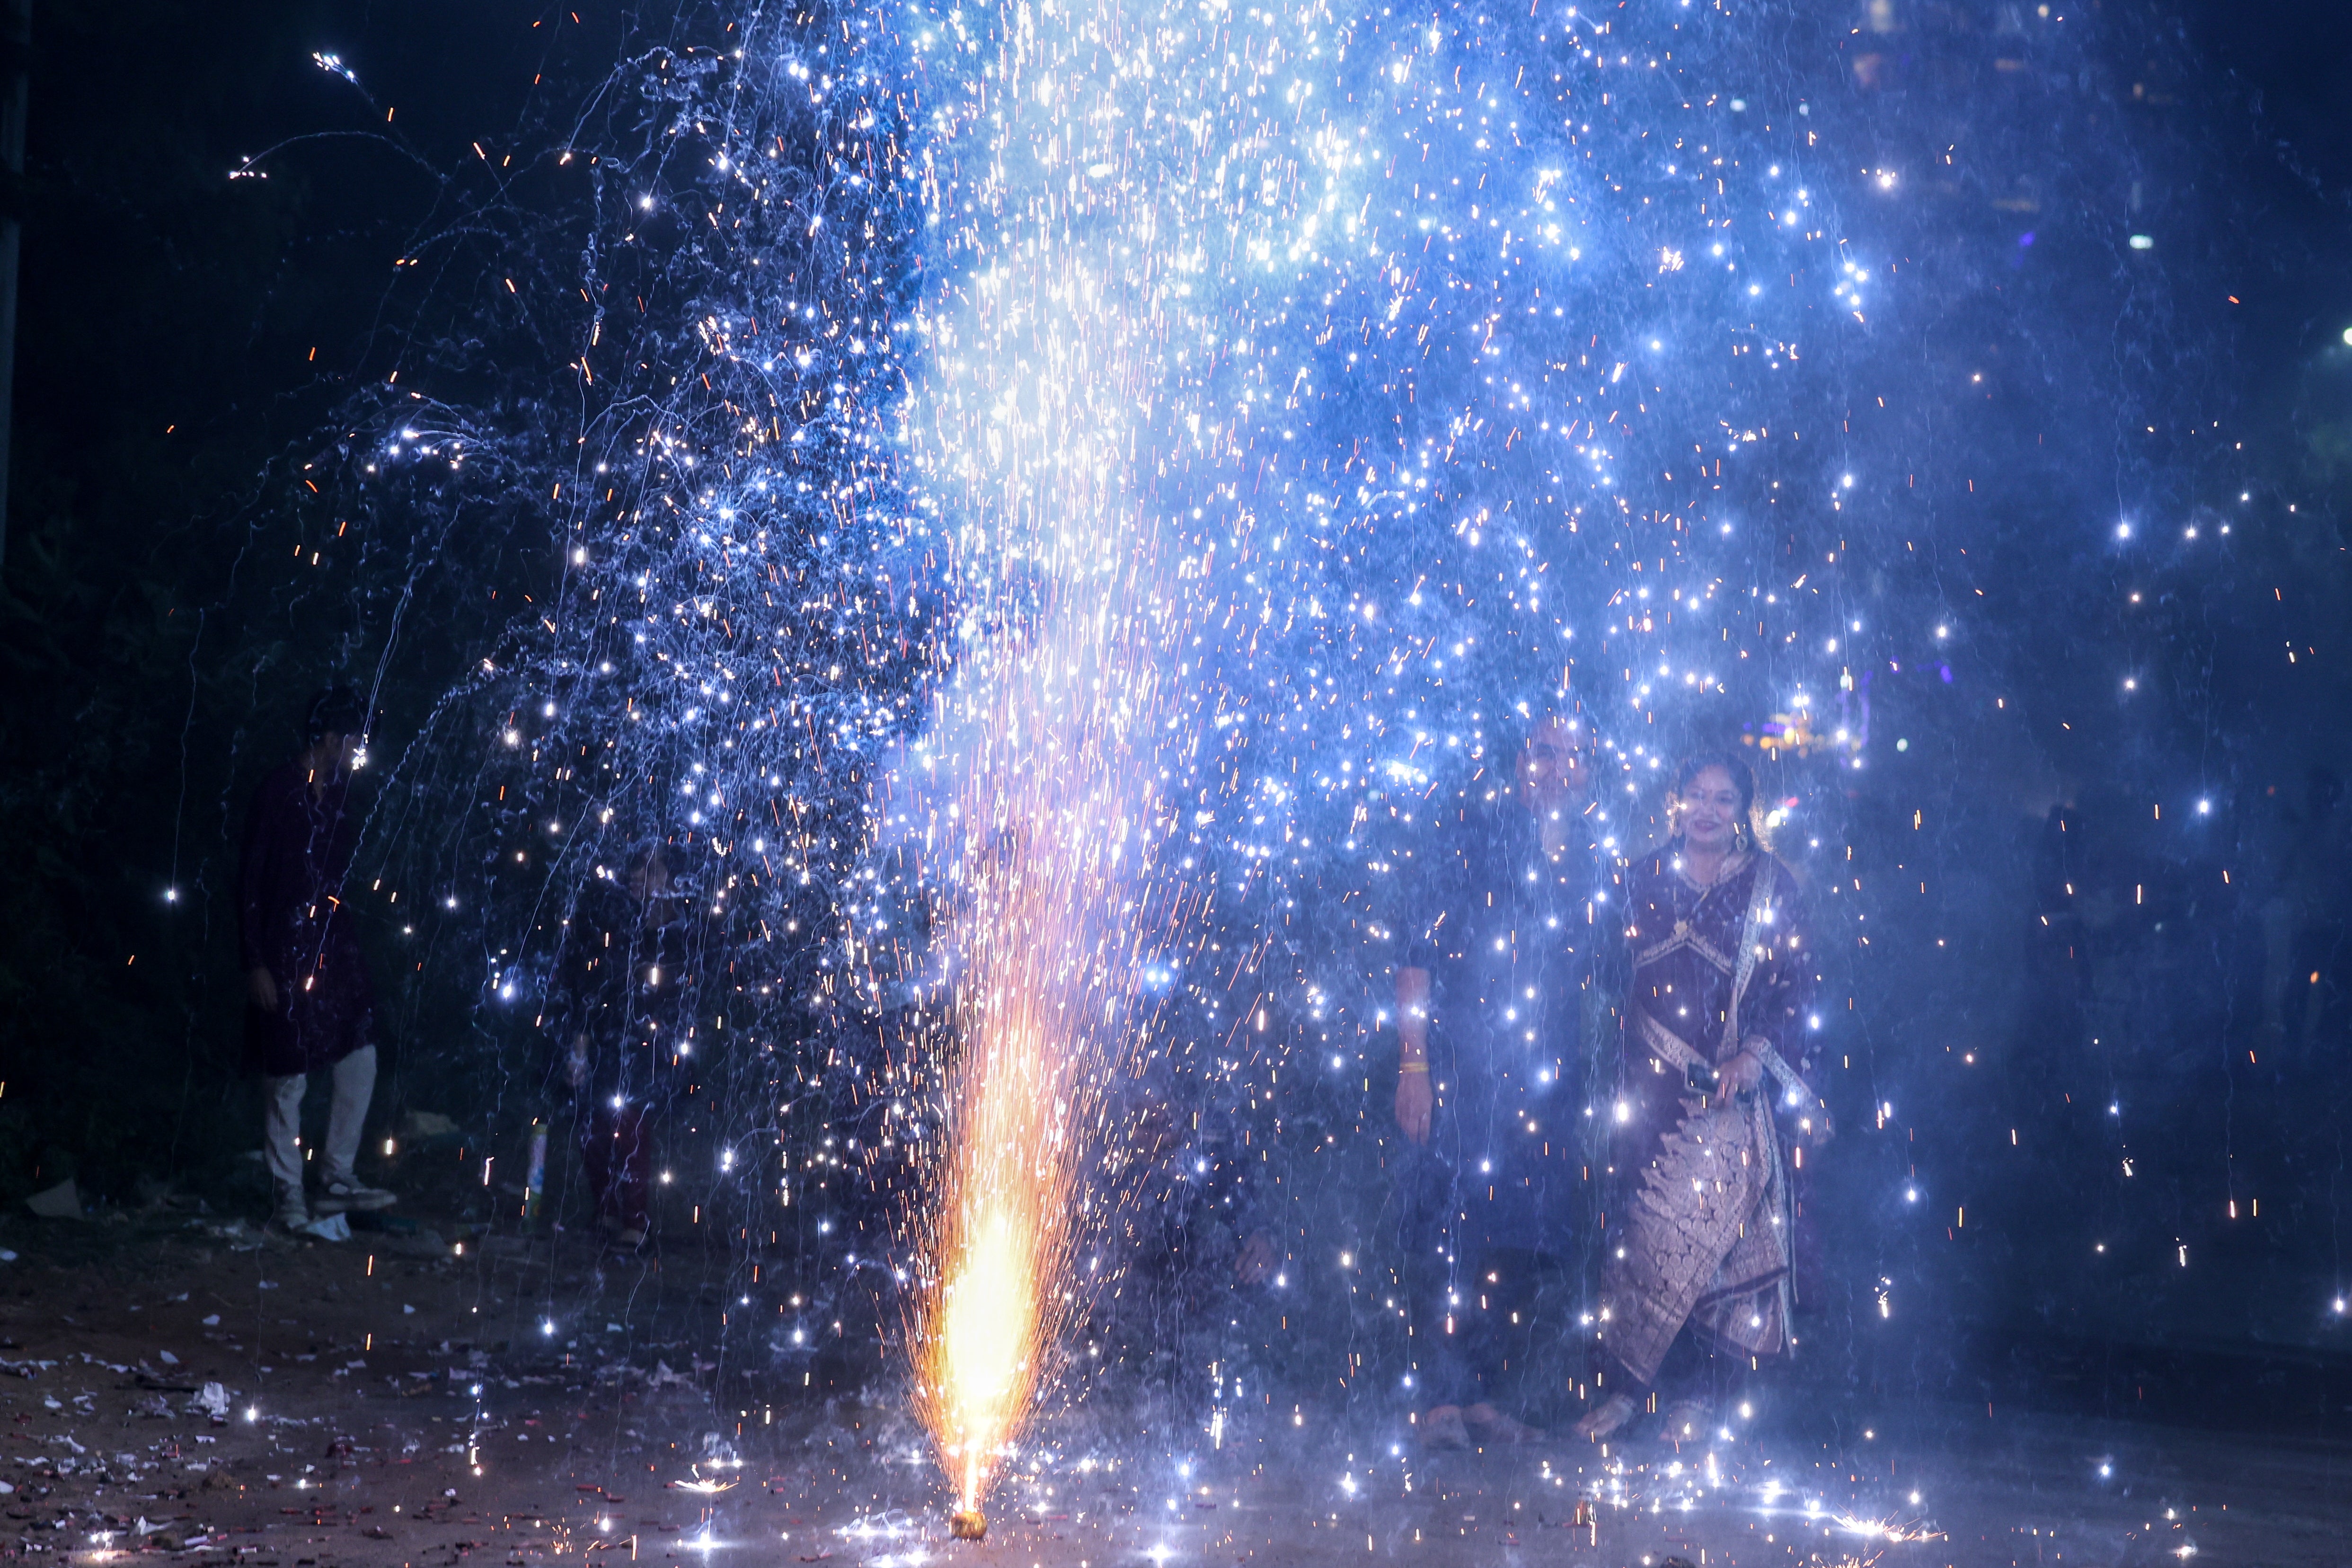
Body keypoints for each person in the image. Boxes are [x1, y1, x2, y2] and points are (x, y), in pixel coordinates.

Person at [1576, 752, 1821, 1443]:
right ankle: (1626, 1392)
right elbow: (1597, 973)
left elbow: (1797, 990)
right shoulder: (1638, 878)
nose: (1707, 810)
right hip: (1645, 1089)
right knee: (1642, 1240)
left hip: (1725, 1092)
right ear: (1674, 800)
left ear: (1743, 807)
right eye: (1695, 795)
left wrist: (1753, 1055)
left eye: (1722, 798)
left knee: (1713, 1245)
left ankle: (1697, 1399)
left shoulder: (1772, 888)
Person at [1388, 713, 1618, 1447]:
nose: (1556, 767)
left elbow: (1606, 970)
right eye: (1542, 752)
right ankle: (1439, 1402)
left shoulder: (1589, 856)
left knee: (1517, 1239)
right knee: (1447, 1229)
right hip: (1462, 1070)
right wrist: (1414, 1062)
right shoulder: (1470, 834)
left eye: (1572, 755)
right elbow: (1416, 954)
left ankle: (1484, 1393)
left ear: (1589, 769)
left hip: (1545, 1081)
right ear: (1519, 761)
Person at [238, 685, 394, 1229]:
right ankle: (287, 1191)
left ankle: (335, 1175)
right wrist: (254, 959)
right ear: (329, 738)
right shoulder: (280, 790)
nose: (358, 749)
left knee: (360, 1051)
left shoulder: (343, 794)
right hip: (283, 943)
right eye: (352, 739)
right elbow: (251, 877)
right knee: (287, 1070)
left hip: (332, 940)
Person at [548, 843, 709, 1248]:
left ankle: (635, 1220)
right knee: (592, 1123)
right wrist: (580, 1049)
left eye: (651, 870)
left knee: (630, 1122)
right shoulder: (620, 925)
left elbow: (686, 999)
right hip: (610, 1039)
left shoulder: (686, 934)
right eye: (637, 868)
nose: (639, 876)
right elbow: (593, 989)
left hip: (654, 1047)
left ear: (672, 880)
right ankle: (606, 1210)